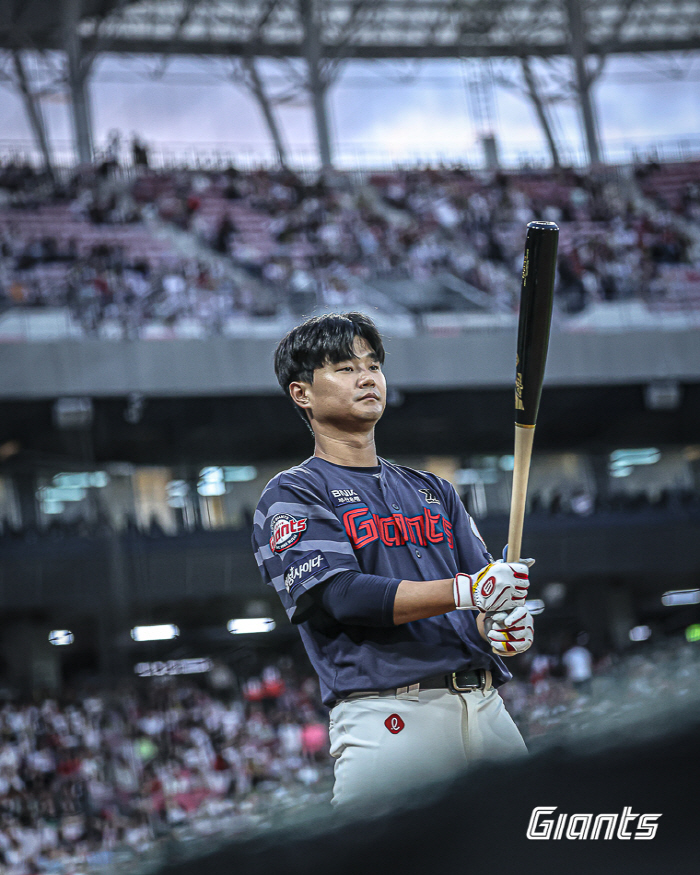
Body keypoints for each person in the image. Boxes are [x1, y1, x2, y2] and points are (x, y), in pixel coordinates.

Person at [251, 312, 535, 808]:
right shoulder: (293, 492)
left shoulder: (433, 489)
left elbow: (484, 598)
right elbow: (341, 596)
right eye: (343, 367)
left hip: (487, 709)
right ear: (302, 394)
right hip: (390, 719)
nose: (367, 377)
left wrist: (502, 628)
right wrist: (470, 591)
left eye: (373, 364)